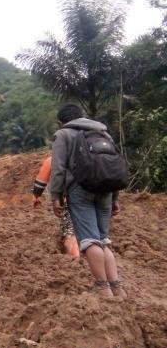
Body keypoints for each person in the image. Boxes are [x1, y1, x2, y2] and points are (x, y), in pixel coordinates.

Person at [50, 103, 126, 298]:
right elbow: (114, 166)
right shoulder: (103, 133)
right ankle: (116, 287)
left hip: (80, 190)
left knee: (90, 240)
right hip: (106, 190)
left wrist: (55, 196)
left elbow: (58, 168)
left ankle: (102, 288)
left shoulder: (64, 134)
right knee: (103, 239)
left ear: (61, 122)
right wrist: (115, 197)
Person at [32, 156, 79, 258]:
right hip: (94, 200)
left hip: (71, 199)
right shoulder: (85, 154)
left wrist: (36, 197)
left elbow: (41, 181)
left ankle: (77, 260)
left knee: (70, 233)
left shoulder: (54, 159)